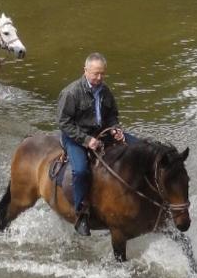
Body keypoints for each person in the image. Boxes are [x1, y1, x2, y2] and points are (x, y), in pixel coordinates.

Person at [57, 53, 137, 236]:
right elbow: (64, 123)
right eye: (95, 73)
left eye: (102, 73)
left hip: (102, 134)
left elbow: (112, 115)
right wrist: (86, 140)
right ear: (85, 71)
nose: (99, 78)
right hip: (75, 137)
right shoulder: (71, 92)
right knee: (81, 171)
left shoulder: (105, 90)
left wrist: (115, 129)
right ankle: (81, 214)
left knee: (139, 148)